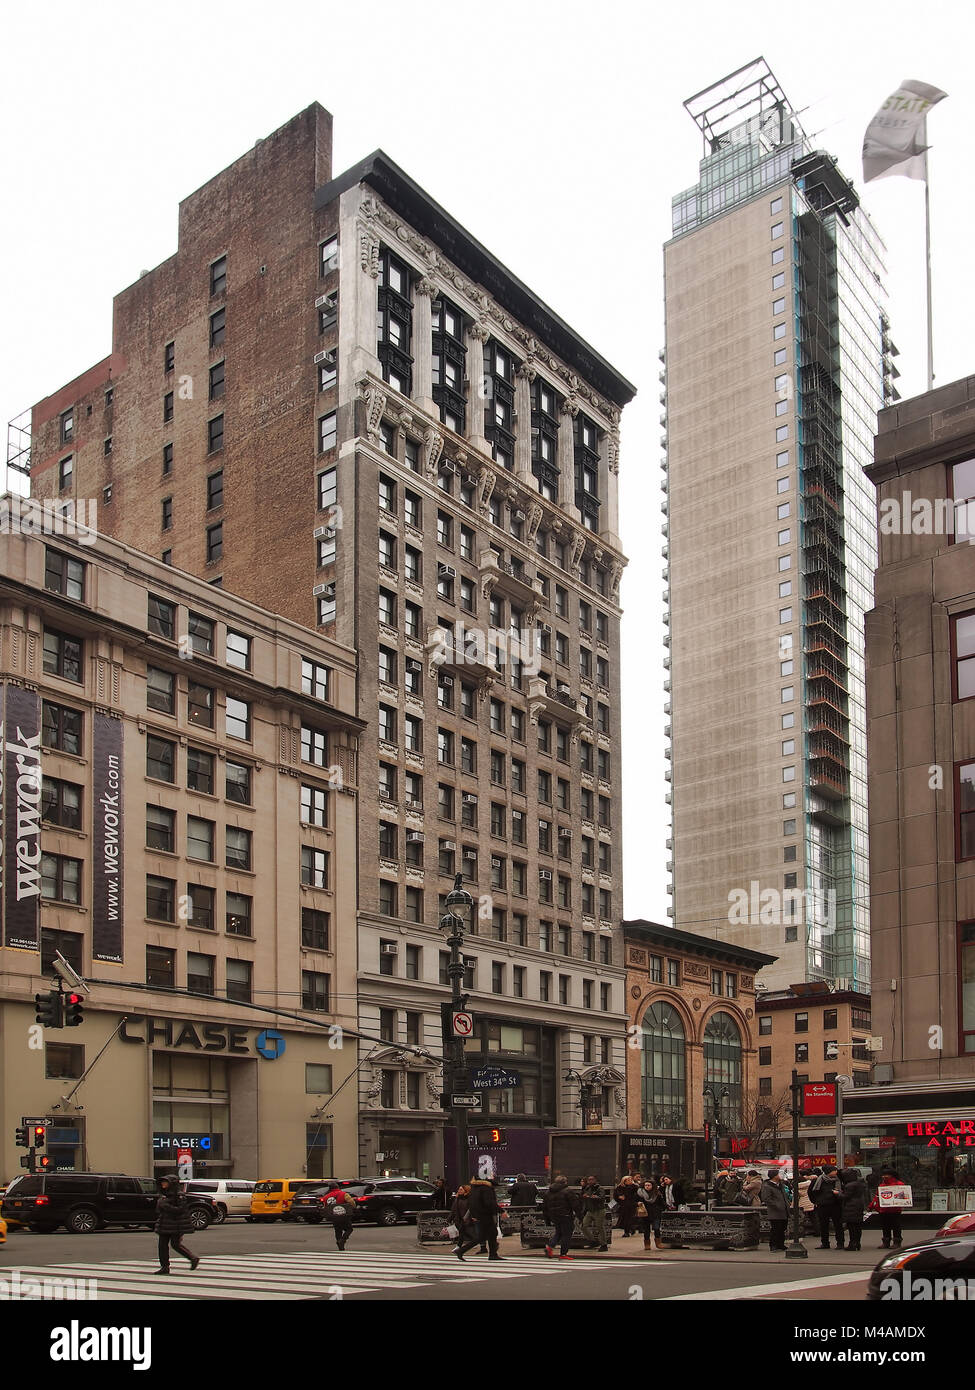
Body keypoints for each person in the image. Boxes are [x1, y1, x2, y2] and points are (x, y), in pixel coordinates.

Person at [154, 1175, 199, 1275]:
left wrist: (165, 1205)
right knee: (162, 1246)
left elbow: (180, 1210)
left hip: (177, 1224)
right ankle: (165, 1267)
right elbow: (159, 1210)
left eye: (165, 1182)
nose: (163, 1184)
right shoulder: (164, 1195)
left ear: (172, 1183)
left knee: (175, 1245)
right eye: (162, 1182)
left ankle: (193, 1258)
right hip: (165, 1223)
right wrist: (160, 1205)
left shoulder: (179, 1195)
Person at [457, 1176, 503, 1260]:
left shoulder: (474, 1188)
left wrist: (474, 1215)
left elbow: (471, 1203)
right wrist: (501, 1211)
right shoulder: (486, 1189)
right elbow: (489, 1203)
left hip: (479, 1215)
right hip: (486, 1214)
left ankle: (493, 1254)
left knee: (489, 1234)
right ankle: (462, 1251)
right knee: (487, 1235)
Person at [542, 1175, 580, 1260]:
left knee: (558, 1232)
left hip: (554, 1216)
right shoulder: (568, 1191)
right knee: (567, 1234)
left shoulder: (548, 1192)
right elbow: (575, 1205)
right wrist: (580, 1216)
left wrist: (547, 1219)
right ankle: (563, 1254)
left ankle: (550, 1246)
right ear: (565, 1182)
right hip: (566, 1215)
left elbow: (544, 1207)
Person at [810, 1165, 844, 1250]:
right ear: (828, 1172)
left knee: (838, 1225)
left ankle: (840, 1243)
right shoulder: (818, 1180)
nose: (836, 1171)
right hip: (823, 1205)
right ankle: (825, 1243)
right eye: (833, 1170)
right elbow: (811, 1192)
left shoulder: (838, 1179)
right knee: (823, 1225)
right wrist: (816, 1201)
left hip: (835, 1205)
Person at [872, 1168, 904, 1249]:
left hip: (895, 1210)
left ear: (891, 1175)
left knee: (896, 1226)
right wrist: (872, 1205)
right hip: (883, 1210)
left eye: (886, 1175)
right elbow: (877, 1197)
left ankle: (897, 1242)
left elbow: (903, 1196)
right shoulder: (882, 1185)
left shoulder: (899, 1184)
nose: (884, 1176)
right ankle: (886, 1241)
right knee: (885, 1226)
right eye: (883, 1175)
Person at [760, 1169, 789, 1251]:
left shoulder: (781, 1184)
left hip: (784, 1210)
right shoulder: (767, 1186)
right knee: (776, 1228)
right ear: (774, 1176)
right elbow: (766, 1198)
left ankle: (781, 1244)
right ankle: (773, 1245)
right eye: (779, 1174)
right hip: (775, 1211)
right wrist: (777, 1205)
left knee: (783, 1228)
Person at [838, 1168, 867, 1252]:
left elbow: (845, 1196)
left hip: (851, 1206)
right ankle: (857, 1243)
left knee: (852, 1227)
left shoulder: (849, 1185)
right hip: (858, 1205)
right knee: (857, 1227)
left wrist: (838, 1194)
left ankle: (852, 1244)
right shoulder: (860, 1183)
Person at [580, 1176, 610, 1251]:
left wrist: (593, 1197)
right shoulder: (587, 1188)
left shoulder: (599, 1188)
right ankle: (593, 1241)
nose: (590, 1181)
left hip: (599, 1210)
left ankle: (604, 1244)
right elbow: (583, 1197)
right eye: (589, 1180)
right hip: (590, 1210)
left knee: (600, 1227)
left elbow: (602, 1197)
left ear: (595, 1180)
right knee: (584, 1226)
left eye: (591, 1180)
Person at [323, 1185, 357, 1250]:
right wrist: (353, 1208)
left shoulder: (326, 1197)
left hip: (334, 1216)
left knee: (338, 1230)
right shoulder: (344, 1194)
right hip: (344, 1215)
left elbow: (325, 1207)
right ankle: (342, 1240)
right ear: (338, 1188)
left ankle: (340, 1246)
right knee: (349, 1229)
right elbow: (352, 1202)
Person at [638, 1178, 664, 1251]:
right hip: (645, 1214)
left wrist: (661, 1209)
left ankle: (658, 1243)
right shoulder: (640, 1193)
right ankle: (647, 1244)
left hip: (655, 1213)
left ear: (652, 1186)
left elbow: (662, 1203)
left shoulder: (657, 1193)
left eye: (649, 1185)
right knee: (646, 1230)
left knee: (656, 1228)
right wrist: (637, 1203)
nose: (647, 1186)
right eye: (646, 1185)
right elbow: (635, 1201)